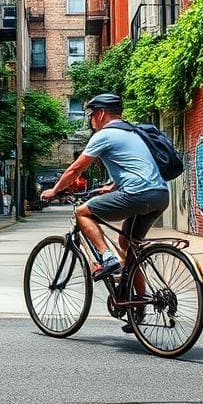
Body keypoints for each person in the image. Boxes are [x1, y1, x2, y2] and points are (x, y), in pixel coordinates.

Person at [40, 93, 169, 283]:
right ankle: (139, 305)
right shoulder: (135, 133)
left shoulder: (104, 134)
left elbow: (76, 168)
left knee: (82, 213)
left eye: (91, 115)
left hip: (137, 194)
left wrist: (55, 190)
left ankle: (107, 258)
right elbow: (138, 166)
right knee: (128, 244)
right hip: (160, 195)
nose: (90, 120)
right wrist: (113, 186)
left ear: (100, 114)